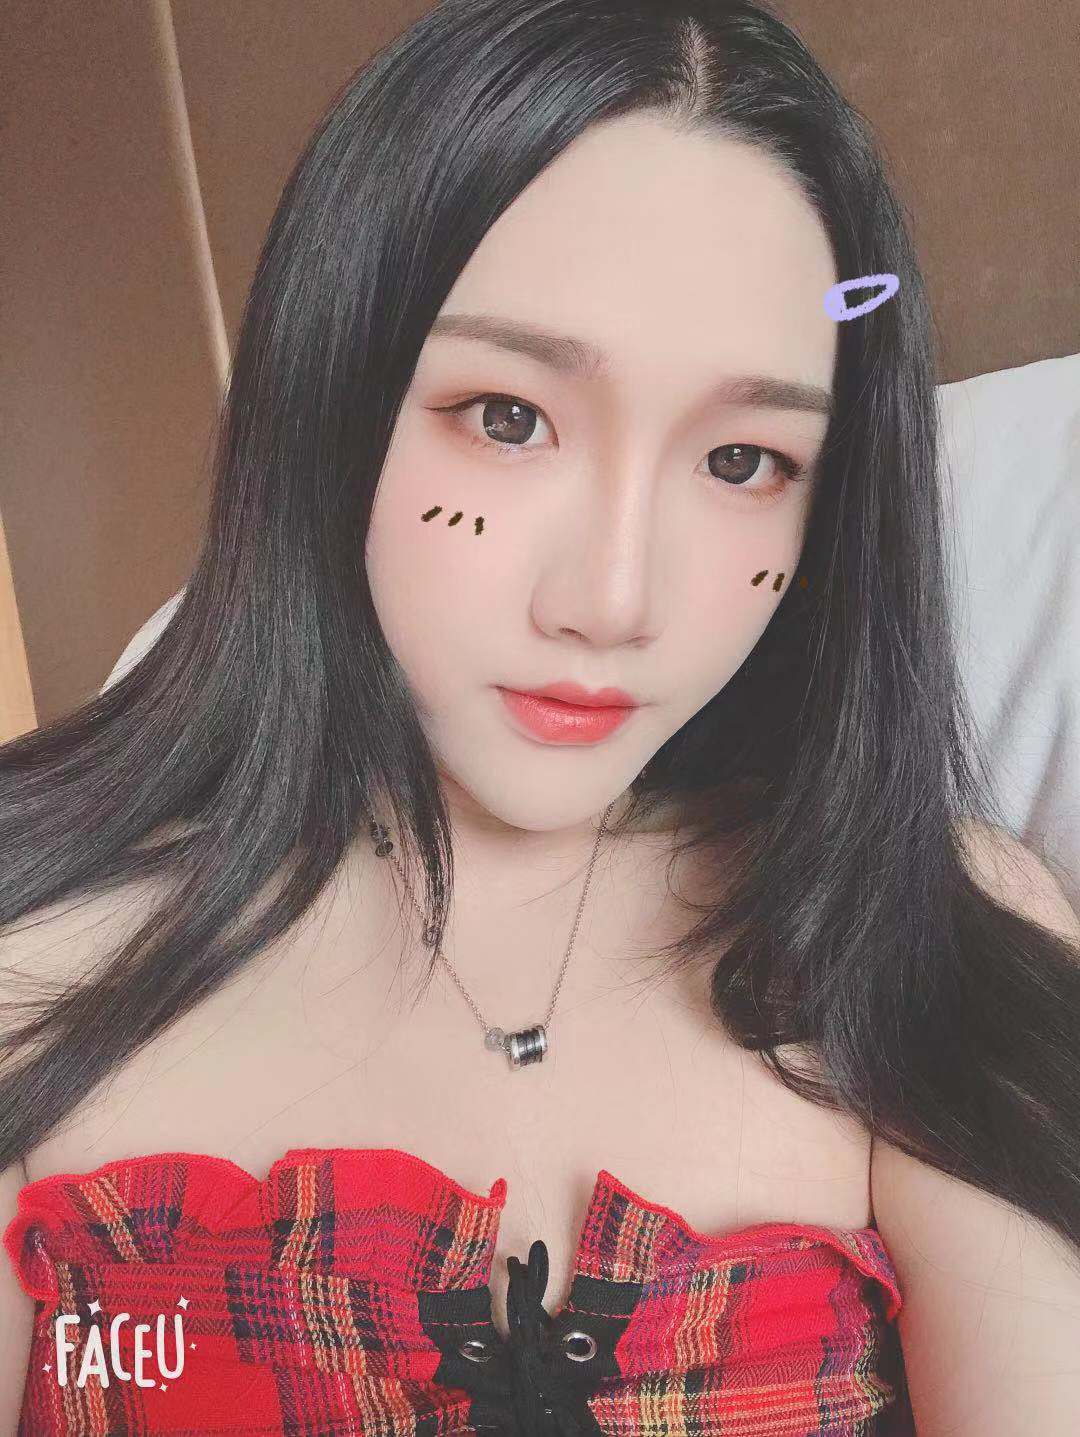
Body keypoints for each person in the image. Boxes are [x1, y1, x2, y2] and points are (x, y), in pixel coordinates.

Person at [1, 0, 1079, 1431]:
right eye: (507, 418)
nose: (612, 600)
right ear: (328, 396)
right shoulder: (34, 956)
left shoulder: (924, 932)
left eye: (744, 460)